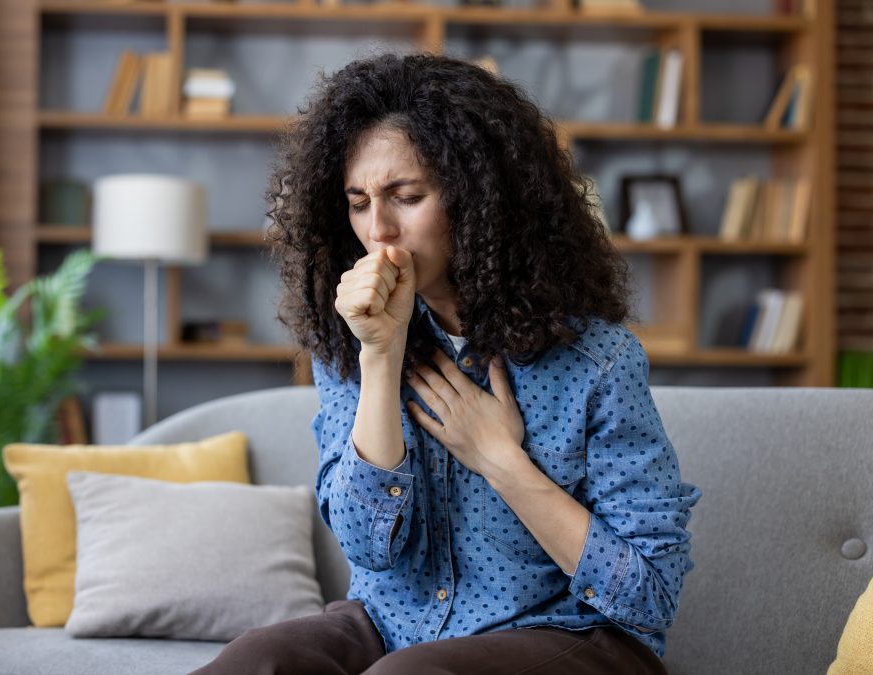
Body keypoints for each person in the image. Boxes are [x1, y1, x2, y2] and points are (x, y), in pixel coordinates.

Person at [191, 52, 701, 675]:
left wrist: (502, 461)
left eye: (406, 197)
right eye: (357, 202)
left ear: (478, 199)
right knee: (255, 661)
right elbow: (368, 548)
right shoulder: (350, 336)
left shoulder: (596, 361)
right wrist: (378, 355)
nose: (378, 230)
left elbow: (649, 592)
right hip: (392, 623)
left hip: (568, 634)